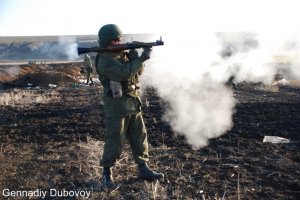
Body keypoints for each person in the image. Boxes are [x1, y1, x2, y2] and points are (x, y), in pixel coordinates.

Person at [95, 24, 164, 187]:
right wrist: (140, 59)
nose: (119, 42)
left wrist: (135, 59)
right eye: (115, 40)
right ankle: (106, 173)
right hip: (117, 107)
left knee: (139, 136)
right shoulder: (105, 60)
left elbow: (135, 73)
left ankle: (143, 168)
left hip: (132, 102)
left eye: (119, 39)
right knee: (115, 140)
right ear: (106, 42)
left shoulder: (120, 55)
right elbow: (123, 73)